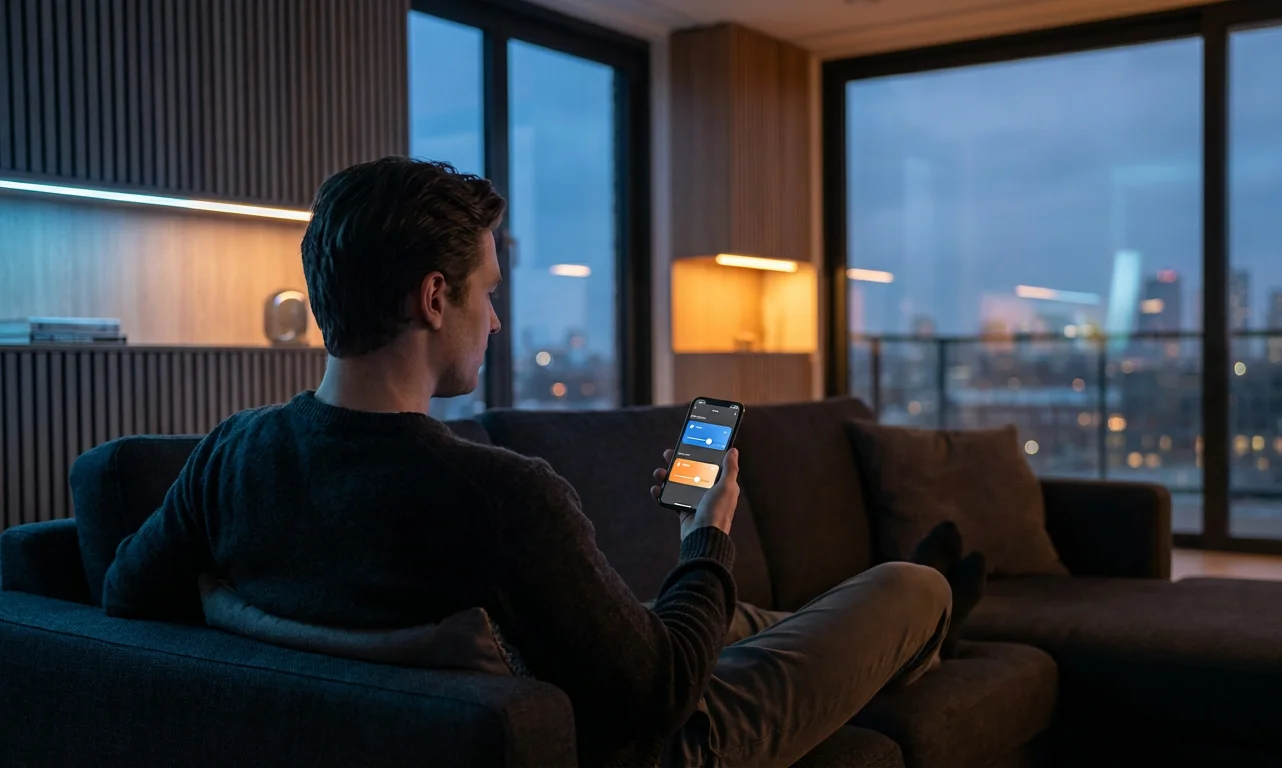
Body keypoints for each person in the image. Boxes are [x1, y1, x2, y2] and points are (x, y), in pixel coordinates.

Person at [103, 157, 986, 767]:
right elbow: (664, 693)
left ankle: (886, 638)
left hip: (544, 692)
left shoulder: (231, 454)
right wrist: (707, 531)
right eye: (488, 294)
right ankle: (930, 622)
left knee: (747, 616)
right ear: (434, 297)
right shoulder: (497, 495)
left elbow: (125, 599)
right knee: (908, 588)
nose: (494, 321)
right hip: (654, 743)